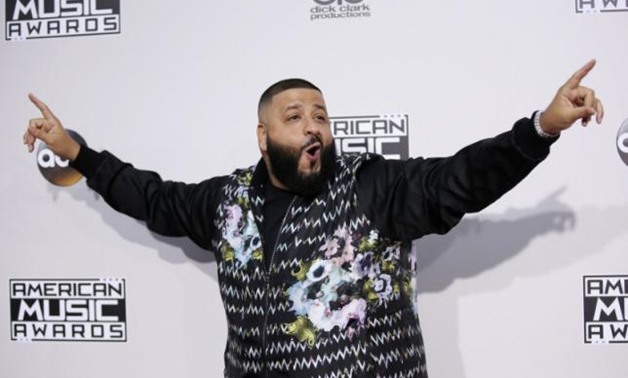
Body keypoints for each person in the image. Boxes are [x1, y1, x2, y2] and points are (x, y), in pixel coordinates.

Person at [23, 60, 603, 377]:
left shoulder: (372, 186)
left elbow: (458, 179)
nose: (312, 126)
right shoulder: (227, 203)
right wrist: (78, 154)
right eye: (295, 115)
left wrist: (540, 129)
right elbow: (152, 197)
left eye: (321, 115)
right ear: (263, 135)